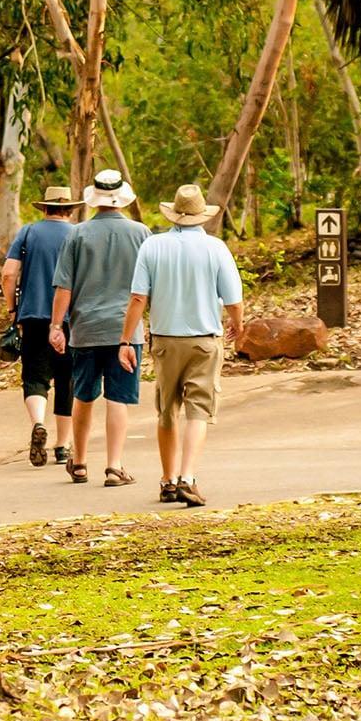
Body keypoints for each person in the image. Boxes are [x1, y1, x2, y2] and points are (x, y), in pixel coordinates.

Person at [118, 185, 243, 508]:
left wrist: (125, 340)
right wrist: (238, 326)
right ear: (202, 216)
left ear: (173, 214)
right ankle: (188, 477)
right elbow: (233, 300)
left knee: (167, 408)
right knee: (198, 409)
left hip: (164, 340)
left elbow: (137, 298)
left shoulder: (153, 246)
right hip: (204, 341)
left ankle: (168, 479)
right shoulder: (216, 249)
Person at [49, 170, 151, 487]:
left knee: (84, 395)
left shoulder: (76, 235)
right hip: (126, 331)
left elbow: (64, 287)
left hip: (86, 329)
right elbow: (148, 287)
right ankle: (114, 466)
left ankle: (78, 462)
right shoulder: (141, 233)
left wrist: (56, 326)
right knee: (117, 399)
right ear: (121, 197)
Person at [3, 187, 80, 468]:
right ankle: (63, 446)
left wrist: (13, 309)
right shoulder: (78, 234)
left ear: (44, 208)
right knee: (66, 378)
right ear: (70, 210)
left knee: (35, 375)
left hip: (33, 316)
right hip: (72, 317)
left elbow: (9, 273)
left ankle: (38, 423)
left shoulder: (28, 232)